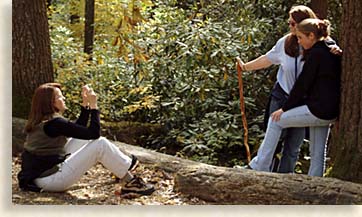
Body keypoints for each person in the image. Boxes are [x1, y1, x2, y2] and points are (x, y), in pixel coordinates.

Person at [236, 5, 340, 173]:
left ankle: (276, 173)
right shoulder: (287, 43)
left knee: (291, 142)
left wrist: (338, 51)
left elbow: (303, 84)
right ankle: (262, 169)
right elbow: (268, 59)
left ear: (308, 31)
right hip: (291, 99)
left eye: (293, 24)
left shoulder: (320, 49)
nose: (291, 28)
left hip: (307, 104)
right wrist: (245, 67)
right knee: (290, 142)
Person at [17, 83, 155, 195]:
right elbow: (93, 133)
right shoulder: (54, 123)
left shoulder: (43, 119)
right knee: (100, 144)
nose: (64, 98)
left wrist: (85, 104)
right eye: (60, 97)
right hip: (50, 180)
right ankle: (131, 180)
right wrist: (94, 106)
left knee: (85, 139)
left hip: (40, 175)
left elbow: (78, 130)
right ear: (51, 103)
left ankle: (122, 168)